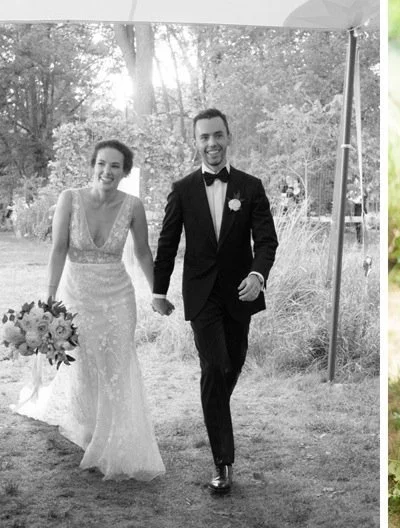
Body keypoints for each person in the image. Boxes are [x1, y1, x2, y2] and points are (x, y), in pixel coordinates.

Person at [14, 139, 165, 481]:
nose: (106, 171)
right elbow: (58, 249)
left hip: (118, 295)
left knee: (118, 361)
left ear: (125, 172)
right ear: (92, 165)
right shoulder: (69, 198)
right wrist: (49, 298)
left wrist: (157, 293)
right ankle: (89, 427)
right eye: (101, 163)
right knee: (84, 361)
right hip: (77, 293)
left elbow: (143, 252)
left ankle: (116, 434)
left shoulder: (133, 206)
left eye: (115, 166)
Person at [152, 108, 278, 494]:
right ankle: (222, 463)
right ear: (196, 142)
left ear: (228, 137)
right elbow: (168, 243)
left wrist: (257, 276)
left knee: (231, 364)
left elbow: (267, 241)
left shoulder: (250, 187)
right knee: (215, 366)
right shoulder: (182, 189)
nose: (212, 143)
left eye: (218, 135)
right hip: (201, 295)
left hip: (240, 294)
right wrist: (159, 291)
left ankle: (214, 408)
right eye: (204, 137)